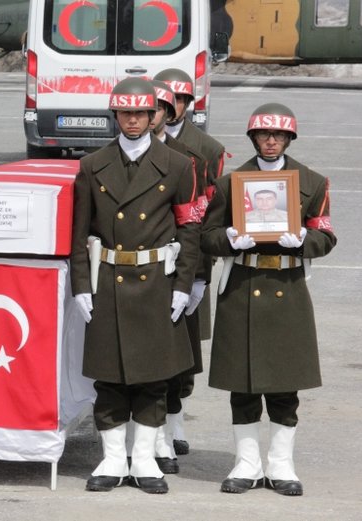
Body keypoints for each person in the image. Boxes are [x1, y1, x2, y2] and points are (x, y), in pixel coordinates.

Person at [70, 77, 201, 494]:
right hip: (108, 280)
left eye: (141, 113)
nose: (133, 120)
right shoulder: (93, 165)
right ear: (115, 115)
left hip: (156, 283)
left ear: (153, 116)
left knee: (152, 378)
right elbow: (78, 233)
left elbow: (189, 230)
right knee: (109, 379)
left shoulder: (178, 165)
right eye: (125, 113)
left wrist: (184, 285)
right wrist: (80, 286)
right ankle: (112, 459)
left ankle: (144, 460)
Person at [201, 103, 337, 496]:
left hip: (287, 287)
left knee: (284, 386)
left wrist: (304, 240)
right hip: (242, 285)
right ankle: (246, 464)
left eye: (279, 135)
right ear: (253, 137)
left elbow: (327, 236)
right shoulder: (230, 183)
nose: (271, 141)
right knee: (242, 385)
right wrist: (228, 239)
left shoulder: (311, 182)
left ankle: (281, 465)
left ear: (290, 138)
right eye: (264, 134)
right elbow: (207, 235)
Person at [153, 67, 226, 455]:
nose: (174, 106)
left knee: (185, 349)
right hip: (151, 258)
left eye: (180, 99)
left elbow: (208, 215)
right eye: (168, 99)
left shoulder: (207, 150)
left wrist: (200, 275)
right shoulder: (140, 138)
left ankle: (176, 421)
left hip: (189, 261)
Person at [149, 80, 208, 475]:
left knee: (177, 362)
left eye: (163, 107)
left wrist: (198, 275)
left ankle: (170, 429)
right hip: (139, 270)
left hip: (178, 270)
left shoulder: (196, 156)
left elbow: (200, 220)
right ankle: (149, 437)